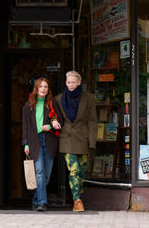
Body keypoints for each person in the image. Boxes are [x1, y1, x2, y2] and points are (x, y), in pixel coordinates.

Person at [55, 70, 97, 212]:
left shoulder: (88, 98)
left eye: (73, 82)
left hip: (83, 138)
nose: (71, 85)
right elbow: (54, 116)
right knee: (73, 170)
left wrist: (92, 141)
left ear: (79, 82)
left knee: (81, 172)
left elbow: (92, 121)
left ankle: (78, 194)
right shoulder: (59, 99)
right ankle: (77, 201)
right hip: (67, 138)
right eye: (68, 82)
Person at [22, 77, 63, 211]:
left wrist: (50, 126)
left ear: (48, 89)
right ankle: (42, 203)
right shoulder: (28, 106)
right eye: (41, 87)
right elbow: (25, 127)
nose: (43, 89)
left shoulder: (52, 104)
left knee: (46, 175)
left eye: (45, 87)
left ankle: (35, 199)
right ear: (36, 89)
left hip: (49, 140)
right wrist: (25, 144)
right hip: (35, 141)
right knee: (39, 171)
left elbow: (59, 120)